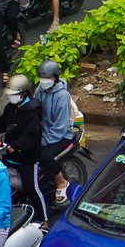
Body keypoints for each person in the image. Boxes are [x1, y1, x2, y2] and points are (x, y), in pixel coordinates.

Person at [0, 73, 48, 217]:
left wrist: (15, 145)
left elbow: (29, 137)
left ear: (23, 94)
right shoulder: (11, 108)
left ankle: (44, 219)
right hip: (9, 156)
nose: (11, 97)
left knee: (32, 188)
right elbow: (0, 125)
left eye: (14, 94)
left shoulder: (32, 113)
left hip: (27, 158)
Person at [36, 60, 76, 206]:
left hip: (61, 135)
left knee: (45, 156)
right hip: (45, 132)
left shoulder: (62, 96)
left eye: (48, 78)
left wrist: (44, 140)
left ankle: (61, 182)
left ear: (55, 78)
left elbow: (60, 126)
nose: (44, 81)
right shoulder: (39, 90)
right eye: (42, 78)